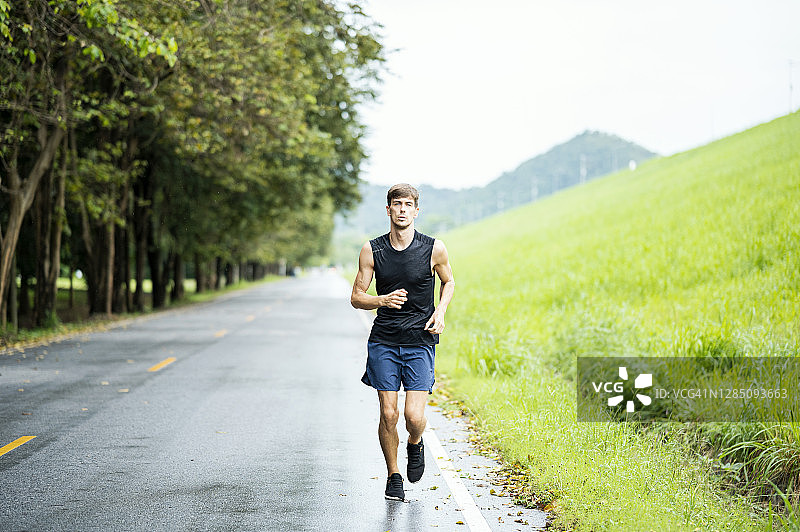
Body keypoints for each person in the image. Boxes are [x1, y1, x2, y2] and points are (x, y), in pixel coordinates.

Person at [350, 183, 455, 502]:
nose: (403, 209)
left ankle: (415, 443)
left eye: (409, 204)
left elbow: (449, 281)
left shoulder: (434, 248)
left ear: (416, 210)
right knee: (389, 413)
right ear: (388, 209)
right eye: (397, 204)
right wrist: (381, 300)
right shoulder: (372, 250)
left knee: (413, 417)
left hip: (420, 341)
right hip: (383, 342)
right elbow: (356, 297)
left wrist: (441, 309)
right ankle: (394, 475)